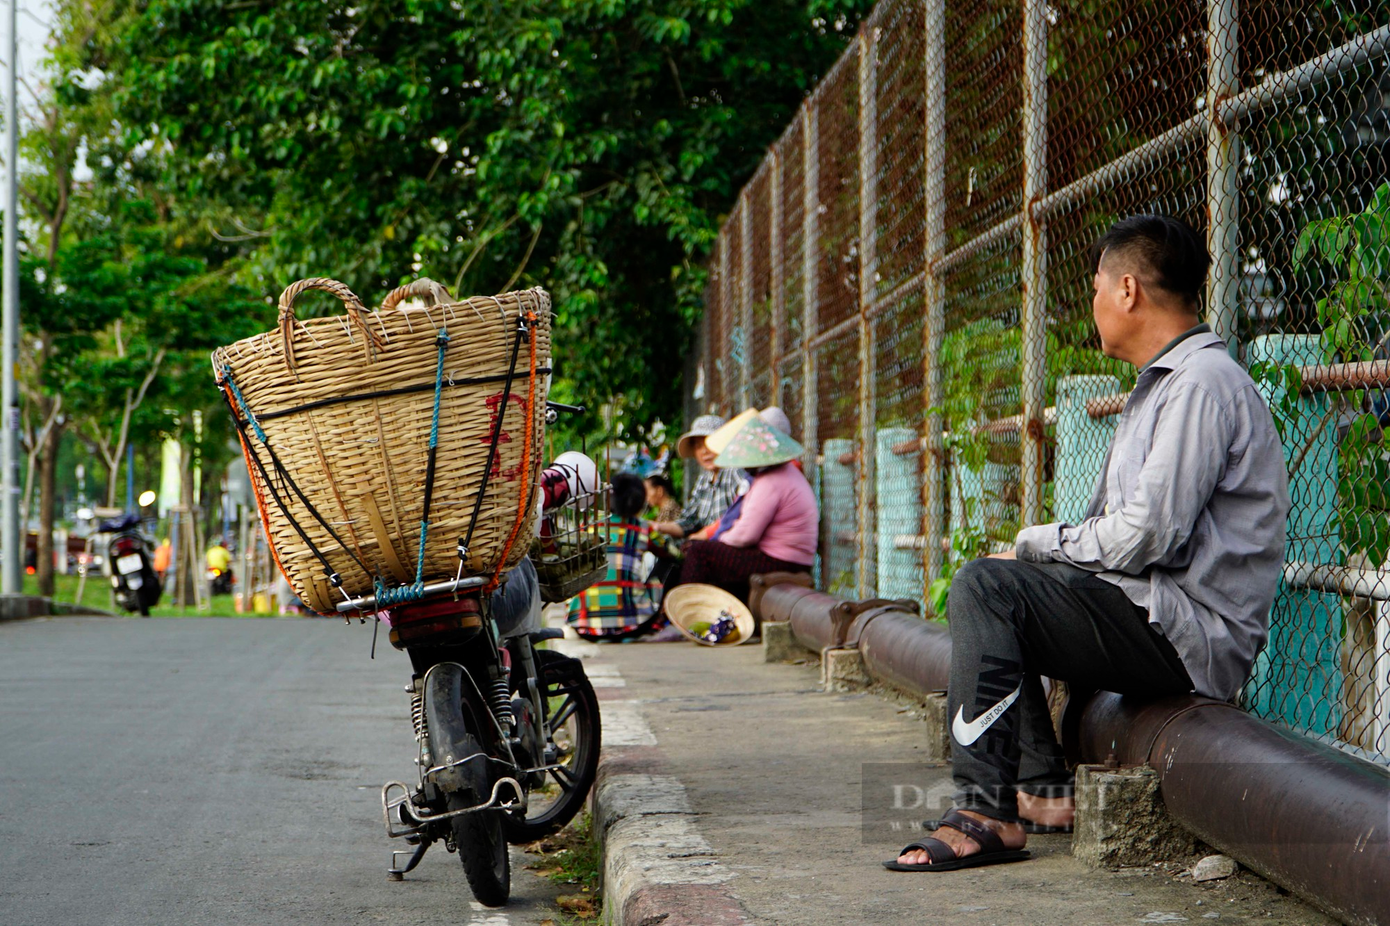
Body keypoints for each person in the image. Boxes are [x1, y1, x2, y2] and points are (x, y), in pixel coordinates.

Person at [887, 215, 1290, 872]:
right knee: (996, 580)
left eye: (1097, 287)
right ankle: (1042, 791)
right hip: (1153, 612)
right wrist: (1029, 560)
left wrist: (1032, 544)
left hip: (1188, 631)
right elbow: (1118, 537)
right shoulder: (1162, 386)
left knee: (991, 586)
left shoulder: (1201, 384)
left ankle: (986, 811)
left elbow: (1145, 535)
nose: (1094, 304)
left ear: (1128, 290)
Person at [674, 414, 817, 603]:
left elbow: (746, 535)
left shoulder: (771, 481)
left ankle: (686, 611)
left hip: (783, 563)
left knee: (699, 552)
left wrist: (718, 542)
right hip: (792, 561)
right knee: (708, 555)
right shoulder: (782, 474)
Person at [567, 472, 676, 641]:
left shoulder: (587, 524)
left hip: (582, 624)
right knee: (670, 565)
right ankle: (662, 616)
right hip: (632, 625)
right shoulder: (643, 527)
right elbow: (673, 554)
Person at [652, 415, 749, 541]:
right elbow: (689, 521)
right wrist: (657, 527)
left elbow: (739, 515)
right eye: (698, 446)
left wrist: (703, 535)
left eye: (709, 443)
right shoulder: (703, 481)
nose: (704, 452)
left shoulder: (735, 472)